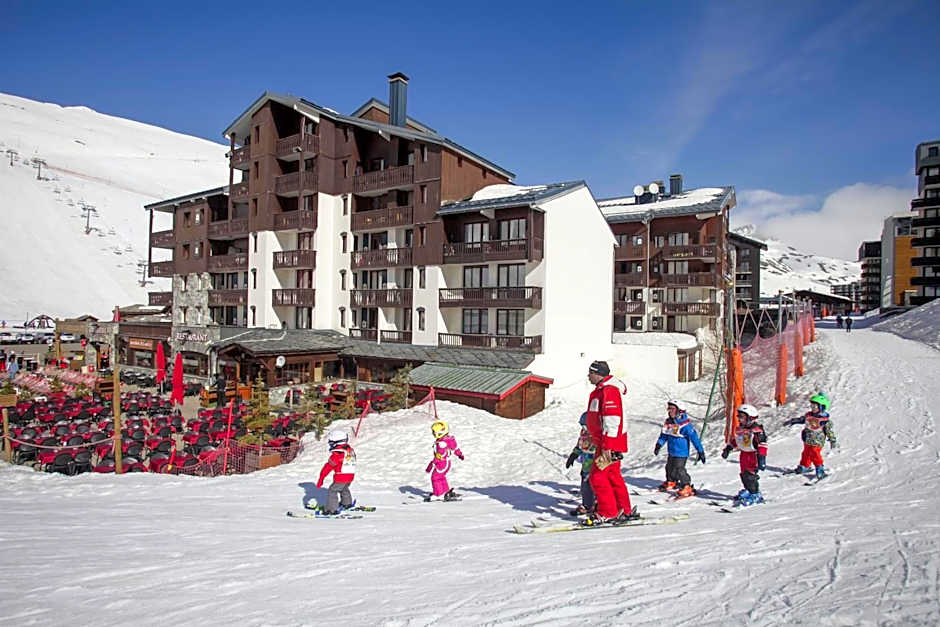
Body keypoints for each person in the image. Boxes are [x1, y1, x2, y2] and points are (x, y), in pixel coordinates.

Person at [584, 360, 637, 523]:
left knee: (597, 477)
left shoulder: (609, 390)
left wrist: (607, 445)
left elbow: (612, 419)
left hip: (609, 443)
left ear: (598, 374)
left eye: (590, 373)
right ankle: (624, 509)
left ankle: (608, 511)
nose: (588, 376)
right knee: (613, 475)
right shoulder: (602, 390)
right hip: (606, 442)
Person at [654, 400, 705, 497]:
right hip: (672, 451)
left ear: (680, 411)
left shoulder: (685, 425)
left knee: (679, 469)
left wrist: (700, 450)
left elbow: (694, 438)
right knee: (669, 467)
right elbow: (664, 435)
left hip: (681, 452)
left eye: (672, 409)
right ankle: (671, 481)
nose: (670, 412)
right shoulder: (669, 423)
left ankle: (686, 485)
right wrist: (659, 445)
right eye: (669, 409)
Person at [721, 404, 768, 506]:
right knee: (743, 475)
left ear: (750, 418)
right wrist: (728, 449)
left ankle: (755, 493)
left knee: (750, 475)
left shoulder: (757, 431)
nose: (739, 419)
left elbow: (762, 444)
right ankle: (748, 490)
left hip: (753, 455)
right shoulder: (741, 429)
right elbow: (737, 441)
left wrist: (762, 458)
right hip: (743, 454)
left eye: (742, 417)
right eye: (739, 417)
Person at [786, 393, 837, 479]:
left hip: (817, 441)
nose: (812, 408)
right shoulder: (809, 415)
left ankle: (820, 468)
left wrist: (832, 439)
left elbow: (829, 431)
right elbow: (802, 419)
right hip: (807, 438)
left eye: (815, 406)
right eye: (812, 406)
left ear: (822, 407)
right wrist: (794, 421)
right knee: (806, 453)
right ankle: (804, 466)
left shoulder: (824, 420)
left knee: (815, 453)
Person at [316, 429, 357, 514]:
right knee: (344, 488)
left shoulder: (336, 454)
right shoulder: (349, 451)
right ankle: (347, 503)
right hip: (350, 476)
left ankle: (331, 509)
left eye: (331, 443)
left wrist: (321, 478)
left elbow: (327, 468)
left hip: (341, 477)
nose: (330, 445)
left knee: (332, 491)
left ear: (336, 442)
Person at [565, 412, 596, 515]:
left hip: (596, 464)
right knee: (585, 484)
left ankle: (597, 503)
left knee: (595, 484)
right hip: (586, 464)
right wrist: (574, 455)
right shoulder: (584, 433)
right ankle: (587, 505)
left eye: (585, 425)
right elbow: (580, 445)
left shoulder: (596, 434)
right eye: (582, 426)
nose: (584, 428)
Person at [425, 420, 464, 501]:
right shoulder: (447, 440)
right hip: (446, 462)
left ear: (439, 433)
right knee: (441, 477)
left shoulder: (441, 444)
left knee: (435, 477)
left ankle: (438, 494)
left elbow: (440, 455)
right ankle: (445, 491)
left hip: (441, 463)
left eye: (433, 432)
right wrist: (460, 454)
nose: (432, 433)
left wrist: (432, 464)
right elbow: (455, 448)